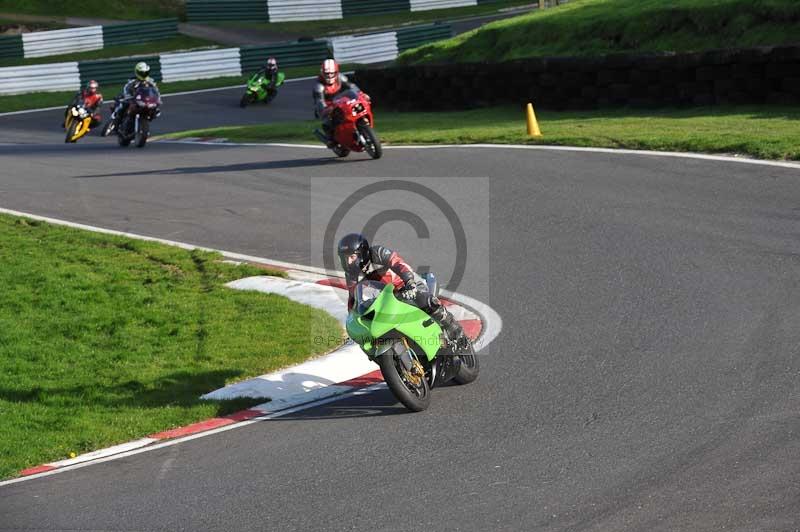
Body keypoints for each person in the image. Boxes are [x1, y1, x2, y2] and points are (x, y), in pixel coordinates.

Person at [337, 233, 470, 350]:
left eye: (352, 257)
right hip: (390, 296)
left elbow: (399, 264)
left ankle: (456, 332)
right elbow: (353, 298)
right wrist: (353, 319)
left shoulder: (378, 253)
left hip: (407, 284)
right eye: (345, 258)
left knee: (426, 301)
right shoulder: (351, 275)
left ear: (362, 253)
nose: (348, 262)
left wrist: (410, 282)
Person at [312, 59, 364, 146]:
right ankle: (330, 139)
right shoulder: (319, 86)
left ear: (336, 72)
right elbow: (319, 101)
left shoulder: (340, 78)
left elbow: (351, 86)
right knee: (328, 121)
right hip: (326, 106)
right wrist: (326, 109)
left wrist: (361, 94)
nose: (329, 76)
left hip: (341, 101)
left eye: (332, 73)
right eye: (327, 73)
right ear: (322, 73)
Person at [104, 62, 161, 134]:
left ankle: (143, 123)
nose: (143, 74)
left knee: (156, 109)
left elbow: (155, 90)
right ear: (137, 72)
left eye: (145, 72)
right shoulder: (133, 80)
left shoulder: (151, 81)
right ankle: (116, 121)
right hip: (133, 99)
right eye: (142, 73)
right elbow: (126, 88)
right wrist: (127, 96)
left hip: (144, 100)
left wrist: (157, 98)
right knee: (123, 106)